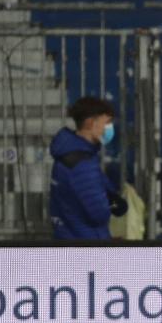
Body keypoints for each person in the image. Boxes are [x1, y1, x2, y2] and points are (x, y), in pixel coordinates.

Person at [49, 96, 127, 239]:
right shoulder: (82, 164)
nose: (110, 128)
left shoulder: (71, 154)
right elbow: (99, 213)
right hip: (87, 247)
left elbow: (101, 187)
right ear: (91, 123)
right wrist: (113, 203)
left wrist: (109, 197)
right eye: (107, 123)